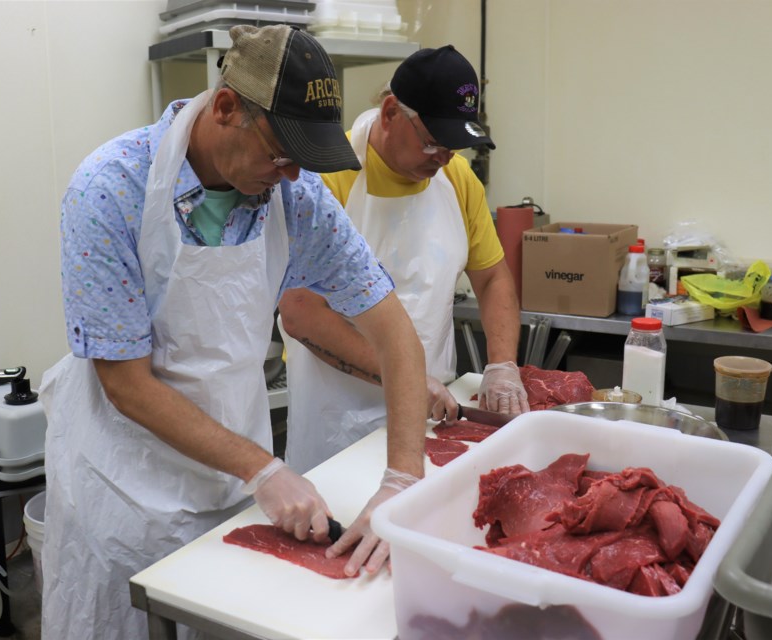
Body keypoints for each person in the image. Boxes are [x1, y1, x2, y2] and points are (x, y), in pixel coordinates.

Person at [38, 25, 428, 640]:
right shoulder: (111, 188)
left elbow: (395, 333)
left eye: (305, 161)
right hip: (126, 491)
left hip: (236, 489)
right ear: (226, 109)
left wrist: (402, 481)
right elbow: (127, 385)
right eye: (281, 154)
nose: (294, 175)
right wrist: (264, 470)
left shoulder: (294, 197)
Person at [278, 45, 529, 475]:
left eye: (454, 147)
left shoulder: (456, 178)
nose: (444, 159)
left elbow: (492, 279)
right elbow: (299, 311)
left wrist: (502, 364)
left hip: (432, 418)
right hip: (335, 424)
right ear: (391, 111)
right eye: (433, 143)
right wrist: (407, 377)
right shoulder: (325, 178)